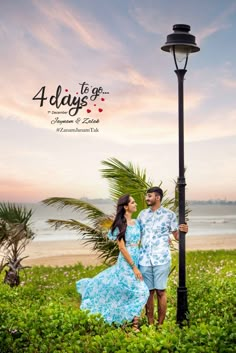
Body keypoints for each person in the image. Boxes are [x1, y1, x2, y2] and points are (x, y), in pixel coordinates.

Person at [76, 194, 149, 331]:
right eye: (133, 202)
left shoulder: (137, 223)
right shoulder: (120, 224)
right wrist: (134, 267)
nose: (136, 204)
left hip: (137, 257)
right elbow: (122, 247)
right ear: (126, 206)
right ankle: (134, 325)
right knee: (142, 291)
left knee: (130, 291)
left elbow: (146, 237)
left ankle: (129, 321)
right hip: (126, 262)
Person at [137, 186, 188, 326]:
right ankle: (150, 324)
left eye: (149, 196)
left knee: (160, 291)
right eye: (147, 196)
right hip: (144, 259)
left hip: (162, 258)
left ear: (158, 197)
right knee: (148, 293)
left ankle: (160, 325)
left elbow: (177, 236)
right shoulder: (142, 215)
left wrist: (184, 231)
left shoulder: (169, 215)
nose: (147, 198)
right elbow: (136, 234)